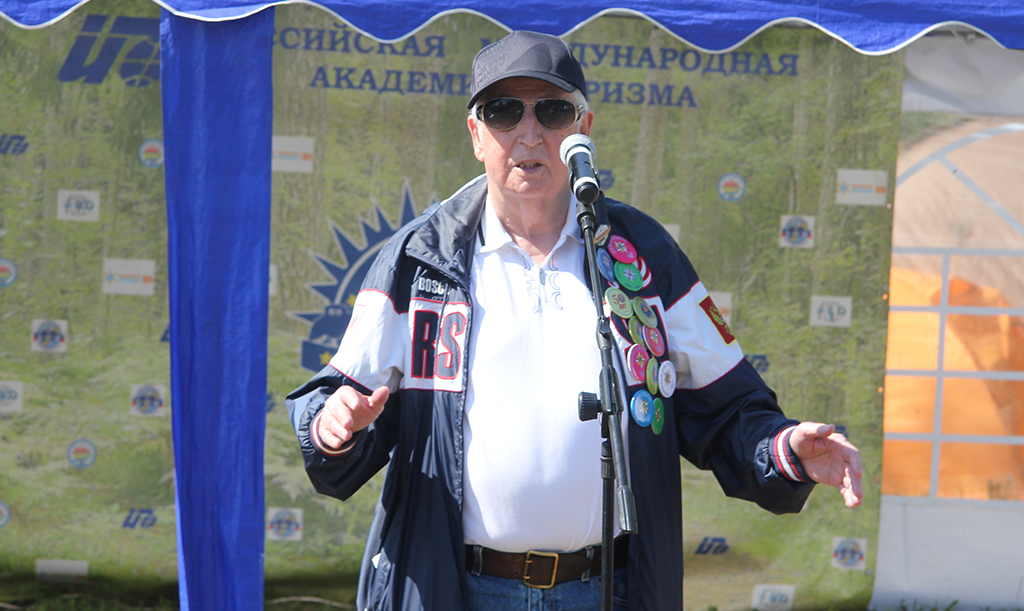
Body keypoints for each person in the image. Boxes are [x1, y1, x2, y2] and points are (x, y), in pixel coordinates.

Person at [286, 30, 863, 611]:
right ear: (476, 135)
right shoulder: (418, 260)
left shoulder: (643, 257)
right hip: (456, 589)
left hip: (604, 589)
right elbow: (337, 404)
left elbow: (728, 410)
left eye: (553, 111)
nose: (529, 133)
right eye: (503, 112)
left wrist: (784, 448)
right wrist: (332, 425)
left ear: (583, 129)